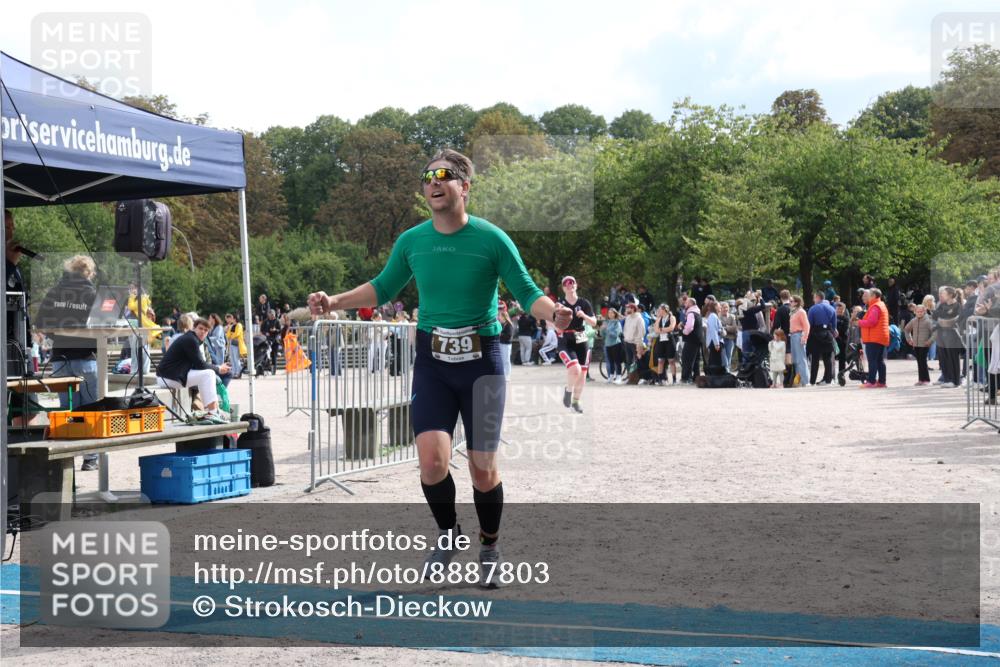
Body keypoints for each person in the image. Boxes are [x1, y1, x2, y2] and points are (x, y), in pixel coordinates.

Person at [306, 149, 572, 588]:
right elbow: (382, 286)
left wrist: (551, 313)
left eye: (444, 176)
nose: (433, 182)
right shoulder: (412, 241)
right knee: (431, 461)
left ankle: (489, 544)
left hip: (482, 360)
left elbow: (526, 290)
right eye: (427, 176)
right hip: (433, 359)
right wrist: (333, 302)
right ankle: (449, 534)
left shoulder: (492, 239)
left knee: (482, 467)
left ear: (464, 187)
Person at [36, 255, 101, 470]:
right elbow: (103, 323)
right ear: (89, 272)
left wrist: (60, 335)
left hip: (60, 359)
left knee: (67, 410)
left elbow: (41, 323)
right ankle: (90, 459)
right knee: (91, 409)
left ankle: (66, 459)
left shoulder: (56, 291)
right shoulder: (92, 293)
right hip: (87, 357)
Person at [156, 317, 231, 423]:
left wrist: (217, 368)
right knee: (209, 374)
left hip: (172, 376)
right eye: (201, 328)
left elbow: (200, 364)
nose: (203, 332)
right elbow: (200, 364)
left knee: (207, 375)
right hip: (168, 378)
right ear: (194, 328)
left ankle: (212, 411)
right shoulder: (191, 340)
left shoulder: (192, 339)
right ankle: (214, 412)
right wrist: (218, 368)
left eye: (206, 330)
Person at [555, 276, 596, 413]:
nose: (569, 285)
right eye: (566, 283)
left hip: (580, 335)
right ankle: (568, 390)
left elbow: (594, 322)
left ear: (576, 285)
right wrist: (556, 327)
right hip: (566, 336)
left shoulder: (584, 303)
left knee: (583, 372)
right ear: (563, 287)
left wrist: (584, 316)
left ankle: (576, 401)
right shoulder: (559, 303)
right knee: (575, 369)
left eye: (571, 282)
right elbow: (550, 321)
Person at [857, 288, 890, 388]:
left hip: (874, 338)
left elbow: (871, 322)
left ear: (874, 296)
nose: (868, 296)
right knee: (880, 360)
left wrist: (858, 322)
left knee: (872, 360)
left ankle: (871, 381)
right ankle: (882, 382)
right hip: (880, 337)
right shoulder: (881, 305)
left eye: (870, 294)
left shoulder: (875, 307)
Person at [932, 286, 963, 388]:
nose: (941, 295)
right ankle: (946, 378)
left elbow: (958, 318)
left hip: (952, 334)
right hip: (941, 334)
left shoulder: (957, 305)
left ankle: (955, 381)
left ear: (950, 295)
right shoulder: (942, 304)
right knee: (943, 357)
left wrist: (946, 319)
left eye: (944, 294)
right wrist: (945, 317)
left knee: (952, 357)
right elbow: (935, 315)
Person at [807, 291, 837, 385]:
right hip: (828, 333)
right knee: (827, 358)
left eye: (814, 297)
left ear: (818, 298)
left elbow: (810, 323)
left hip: (815, 334)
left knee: (815, 359)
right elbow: (834, 325)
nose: (813, 299)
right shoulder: (832, 309)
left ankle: (812, 381)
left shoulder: (813, 308)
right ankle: (828, 380)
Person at [904, 304, 933, 385]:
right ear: (915, 312)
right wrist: (909, 339)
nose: (919, 313)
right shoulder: (913, 320)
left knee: (923, 362)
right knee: (919, 362)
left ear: (924, 312)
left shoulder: (928, 321)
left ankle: (926, 380)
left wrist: (929, 341)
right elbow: (906, 330)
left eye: (921, 311)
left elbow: (935, 332)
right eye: (918, 312)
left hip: (924, 345)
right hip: (916, 345)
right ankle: (921, 380)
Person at [788, 295, 811, 387]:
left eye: (791, 301)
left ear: (796, 302)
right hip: (793, 335)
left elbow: (807, 326)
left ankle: (806, 381)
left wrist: (804, 337)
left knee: (801, 359)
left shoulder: (801, 312)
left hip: (798, 335)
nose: (789, 303)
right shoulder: (793, 312)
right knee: (796, 360)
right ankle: (798, 381)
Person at [680, 296, 703, 383]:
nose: (684, 304)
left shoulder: (691, 313)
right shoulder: (697, 312)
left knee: (687, 359)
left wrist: (684, 331)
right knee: (695, 360)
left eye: (686, 303)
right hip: (698, 339)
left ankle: (686, 378)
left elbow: (689, 327)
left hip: (691, 339)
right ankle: (696, 378)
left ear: (690, 304)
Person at [653, 304, 678, 384]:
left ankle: (674, 379)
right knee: (660, 360)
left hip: (669, 340)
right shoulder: (658, 318)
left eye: (659, 310)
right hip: (660, 340)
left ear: (664, 310)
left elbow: (671, 328)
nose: (658, 311)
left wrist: (661, 329)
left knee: (671, 360)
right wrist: (664, 330)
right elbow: (656, 330)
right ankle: (660, 379)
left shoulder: (672, 317)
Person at [621, 302, 646, 381]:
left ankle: (641, 378)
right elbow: (625, 329)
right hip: (627, 342)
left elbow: (642, 331)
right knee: (629, 361)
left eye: (628, 308)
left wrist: (638, 343)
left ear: (632, 309)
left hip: (636, 343)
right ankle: (631, 378)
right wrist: (625, 337)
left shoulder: (639, 318)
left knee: (638, 361)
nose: (626, 309)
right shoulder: (628, 317)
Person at [602, 308, 624, 383]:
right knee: (610, 361)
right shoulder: (607, 322)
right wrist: (602, 329)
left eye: (612, 313)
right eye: (609, 313)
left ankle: (619, 377)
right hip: (607, 344)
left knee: (617, 361)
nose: (610, 314)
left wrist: (607, 329)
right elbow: (603, 335)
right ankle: (611, 376)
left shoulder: (617, 323)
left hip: (616, 344)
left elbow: (616, 335)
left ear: (615, 314)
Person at [703, 299, 724, 374]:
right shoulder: (713, 316)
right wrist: (716, 343)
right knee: (715, 361)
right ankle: (715, 377)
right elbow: (713, 330)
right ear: (715, 307)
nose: (720, 307)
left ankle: (714, 376)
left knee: (715, 360)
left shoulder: (715, 316)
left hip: (716, 341)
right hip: (714, 342)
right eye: (719, 306)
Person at [224, 313, 247, 379]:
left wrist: (231, 335)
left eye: (232, 318)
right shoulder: (232, 326)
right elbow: (228, 335)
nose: (231, 320)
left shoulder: (239, 325)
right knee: (232, 359)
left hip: (236, 344)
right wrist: (230, 332)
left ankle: (238, 372)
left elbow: (237, 334)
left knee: (236, 359)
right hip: (231, 343)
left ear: (235, 319)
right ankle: (234, 372)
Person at [496, 300, 514, 377]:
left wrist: (500, 334)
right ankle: (503, 374)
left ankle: (507, 375)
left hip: (506, 344)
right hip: (501, 343)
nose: (499, 317)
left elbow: (509, 335)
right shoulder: (502, 324)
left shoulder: (509, 325)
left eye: (501, 316)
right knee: (502, 360)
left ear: (504, 317)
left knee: (506, 360)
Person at [261, 309, 282, 374]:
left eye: (273, 315)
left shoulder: (277, 321)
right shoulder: (265, 321)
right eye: (270, 314)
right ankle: (266, 369)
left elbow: (280, 330)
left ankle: (273, 370)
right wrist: (265, 333)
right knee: (266, 355)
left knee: (274, 355)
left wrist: (275, 330)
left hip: (275, 340)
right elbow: (262, 330)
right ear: (268, 314)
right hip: (267, 340)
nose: (272, 316)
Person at [719, 301, 738, 372]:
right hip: (722, 339)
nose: (725, 309)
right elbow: (719, 328)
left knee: (729, 355)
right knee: (723, 356)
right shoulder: (718, 316)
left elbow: (735, 328)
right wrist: (729, 328)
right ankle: (725, 370)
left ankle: (727, 370)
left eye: (726, 307)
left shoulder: (732, 316)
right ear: (721, 308)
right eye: (724, 307)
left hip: (730, 339)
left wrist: (726, 327)